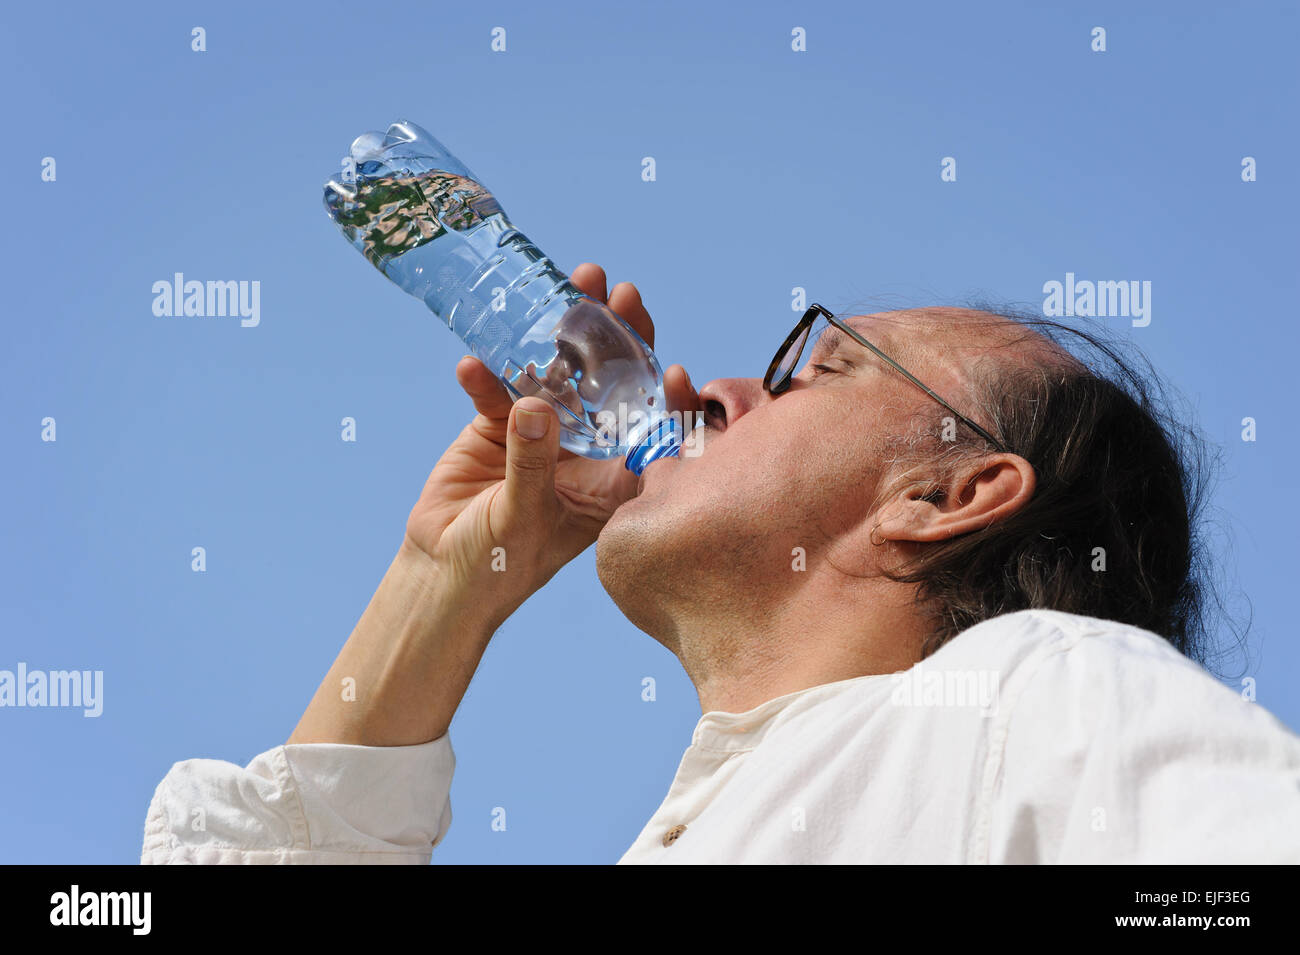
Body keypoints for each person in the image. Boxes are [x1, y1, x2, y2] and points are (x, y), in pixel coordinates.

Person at [141, 264, 1300, 864]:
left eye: (816, 369)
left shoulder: (1038, 689)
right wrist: (442, 585)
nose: (714, 388)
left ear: (945, 494)